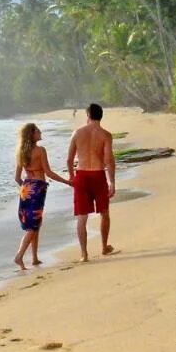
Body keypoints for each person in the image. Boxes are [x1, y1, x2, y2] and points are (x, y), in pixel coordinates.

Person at [14, 122, 70, 271]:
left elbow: (17, 178)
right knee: (34, 225)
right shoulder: (40, 151)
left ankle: (34, 258)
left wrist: (27, 188)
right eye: (38, 131)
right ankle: (19, 256)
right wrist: (67, 182)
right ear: (32, 135)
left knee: (34, 223)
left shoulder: (20, 152)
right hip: (38, 188)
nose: (40, 132)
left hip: (26, 189)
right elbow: (48, 173)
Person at [66, 103, 116, 261]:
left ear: (88, 115)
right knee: (104, 213)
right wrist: (112, 182)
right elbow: (108, 160)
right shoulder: (105, 135)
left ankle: (84, 254)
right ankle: (104, 247)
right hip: (98, 175)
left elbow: (69, 159)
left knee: (82, 217)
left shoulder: (77, 133)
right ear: (100, 116)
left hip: (81, 176)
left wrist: (71, 177)